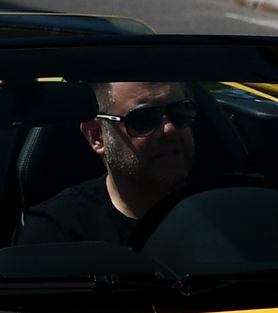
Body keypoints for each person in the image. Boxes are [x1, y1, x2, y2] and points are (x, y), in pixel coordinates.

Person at [15, 80, 207, 247]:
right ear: (97, 136)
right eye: (143, 119)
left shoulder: (226, 207)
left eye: (180, 111)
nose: (170, 129)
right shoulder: (57, 234)